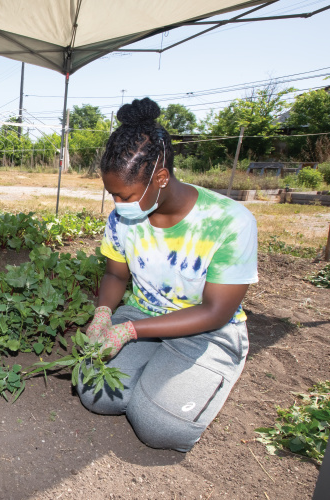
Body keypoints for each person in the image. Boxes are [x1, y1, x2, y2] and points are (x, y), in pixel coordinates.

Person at [78, 97, 258, 452]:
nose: (117, 204)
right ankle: (154, 370)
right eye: (112, 194)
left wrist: (128, 331)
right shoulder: (122, 219)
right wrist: (103, 314)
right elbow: (116, 276)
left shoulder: (230, 222)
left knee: (159, 427)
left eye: (124, 194)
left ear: (160, 178)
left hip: (209, 331)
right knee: (96, 393)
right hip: (145, 313)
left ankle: (203, 372)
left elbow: (215, 311)